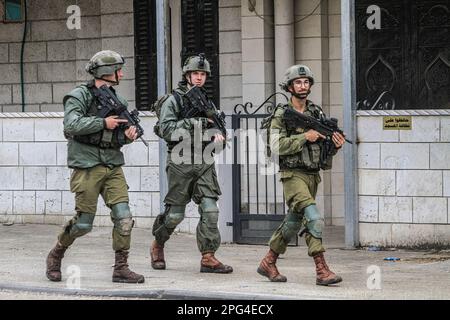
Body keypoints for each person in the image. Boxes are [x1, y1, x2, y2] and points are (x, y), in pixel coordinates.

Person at [45, 50, 145, 284]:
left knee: (124, 218)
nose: (121, 74)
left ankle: (121, 268)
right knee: (83, 224)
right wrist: (103, 122)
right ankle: (56, 253)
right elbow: (71, 124)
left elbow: (116, 137)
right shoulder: (79, 95)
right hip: (87, 166)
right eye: (118, 69)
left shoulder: (119, 101)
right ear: (106, 72)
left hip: (112, 165)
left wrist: (127, 135)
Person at [257, 64, 345, 285]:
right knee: (314, 218)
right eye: (298, 82)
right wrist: (306, 136)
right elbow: (276, 145)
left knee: (293, 223)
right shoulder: (281, 114)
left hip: (312, 175)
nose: (302, 86)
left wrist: (335, 144)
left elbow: (324, 148)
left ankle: (269, 261)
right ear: (289, 86)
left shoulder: (316, 112)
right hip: (292, 175)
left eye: (306, 82)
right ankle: (321, 270)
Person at [150, 54, 232, 274]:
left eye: (203, 74)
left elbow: (219, 137)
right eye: (195, 73)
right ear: (187, 75)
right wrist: (198, 122)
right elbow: (166, 130)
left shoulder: (208, 103)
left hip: (204, 159)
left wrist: (218, 139)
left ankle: (208, 256)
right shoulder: (173, 100)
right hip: (180, 160)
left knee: (210, 209)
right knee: (175, 214)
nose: (199, 78)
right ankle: (158, 244)